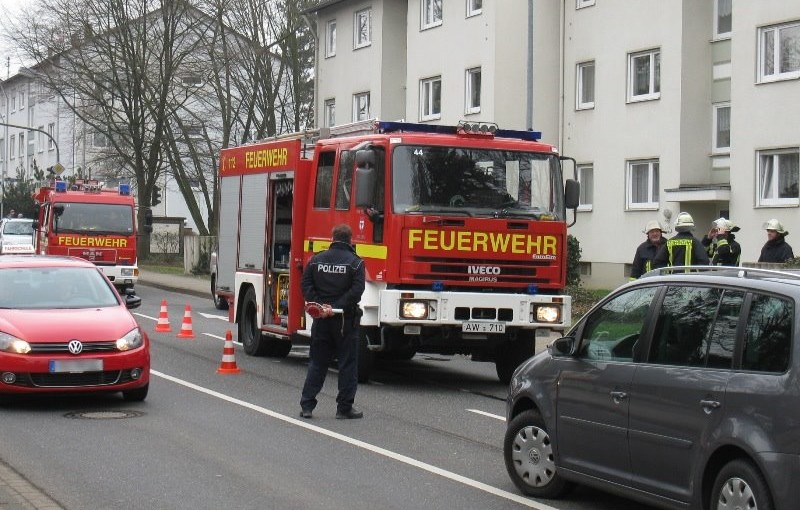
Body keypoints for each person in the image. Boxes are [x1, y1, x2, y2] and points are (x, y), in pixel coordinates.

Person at [299, 224, 366, 420]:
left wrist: (321, 306)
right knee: (347, 364)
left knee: (317, 363)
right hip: (345, 320)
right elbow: (357, 291)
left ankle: (307, 405)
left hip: (322, 320)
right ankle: (344, 408)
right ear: (350, 239)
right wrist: (336, 306)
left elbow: (306, 285)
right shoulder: (355, 263)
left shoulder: (316, 260)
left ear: (332, 237)